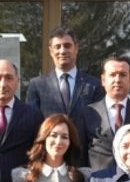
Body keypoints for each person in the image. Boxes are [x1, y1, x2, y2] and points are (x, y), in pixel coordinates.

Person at [25, 27, 104, 166]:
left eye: (67, 46)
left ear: (76, 48)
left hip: (83, 161)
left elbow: (98, 127)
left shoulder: (94, 85)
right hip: (49, 161)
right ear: (51, 51)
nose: (62, 51)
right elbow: (32, 127)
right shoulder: (37, 85)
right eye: (57, 47)